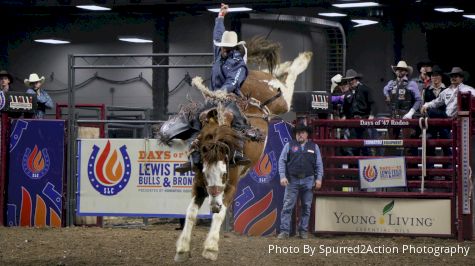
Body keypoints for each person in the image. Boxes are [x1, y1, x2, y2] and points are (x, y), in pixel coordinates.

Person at [175, 3, 250, 173]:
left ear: (232, 49)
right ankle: (194, 157)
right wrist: (220, 16)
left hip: (229, 98)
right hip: (212, 99)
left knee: (238, 120)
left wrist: (221, 92)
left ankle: (237, 152)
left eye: (225, 47)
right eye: (222, 46)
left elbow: (233, 82)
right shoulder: (219, 53)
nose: (222, 48)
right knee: (195, 119)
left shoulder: (238, 64)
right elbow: (217, 34)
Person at [277, 124, 323, 240]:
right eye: (298, 133)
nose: (300, 134)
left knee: (306, 207)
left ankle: (303, 231)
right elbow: (281, 161)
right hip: (292, 180)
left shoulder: (314, 147)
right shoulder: (289, 145)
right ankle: (284, 231)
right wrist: (283, 176)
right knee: (287, 206)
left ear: (307, 134)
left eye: (302, 132)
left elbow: (319, 165)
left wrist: (318, 179)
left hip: (309, 180)